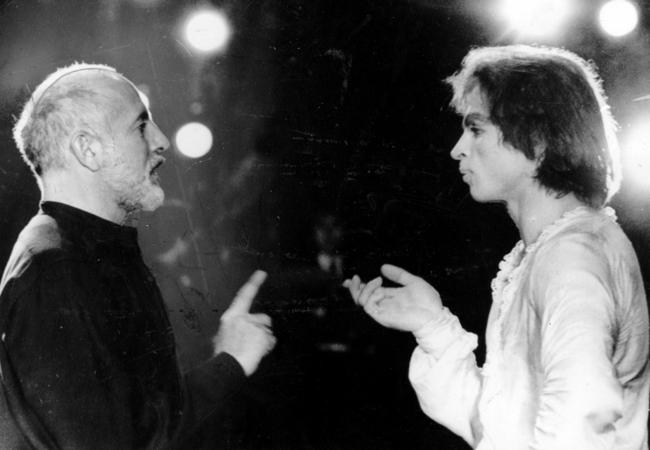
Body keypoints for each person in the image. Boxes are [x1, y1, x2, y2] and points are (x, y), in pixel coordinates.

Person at [344, 45, 649, 449]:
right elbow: (502, 429)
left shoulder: (573, 257)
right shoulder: (551, 250)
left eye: (475, 128)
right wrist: (433, 327)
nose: (458, 149)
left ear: (538, 141)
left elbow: (579, 428)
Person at [0, 63, 276, 449]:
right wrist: (231, 362)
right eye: (141, 126)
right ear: (88, 149)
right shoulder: (57, 270)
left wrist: (229, 357)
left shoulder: (82, 253)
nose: (162, 140)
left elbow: (138, 419)